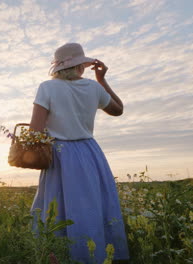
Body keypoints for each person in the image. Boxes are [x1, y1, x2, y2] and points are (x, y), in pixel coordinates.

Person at [29, 43, 130, 263]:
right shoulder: (94, 88)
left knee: (57, 210)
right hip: (90, 153)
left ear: (57, 68)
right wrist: (102, 80)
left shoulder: (47, 87)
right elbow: (118, 110)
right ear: (81, 66)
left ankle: (60, 256)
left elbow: (34, 132)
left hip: (60, 155)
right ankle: (95, 255)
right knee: (92, 208)